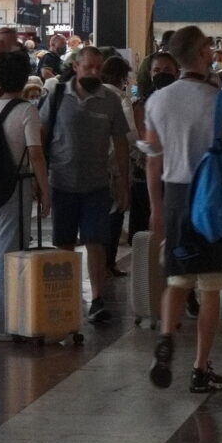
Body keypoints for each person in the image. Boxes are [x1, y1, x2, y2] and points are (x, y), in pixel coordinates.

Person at [141, 25, 222, 393]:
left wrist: (156, 208)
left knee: (177, 278)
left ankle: (165, 335)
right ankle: (200, 367)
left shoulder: (157, 101)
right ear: (204, 54)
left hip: (175, 199)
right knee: (210, 289)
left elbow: (152, 161)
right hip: (213, 203)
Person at [41, 45, 130, 324]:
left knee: (96, 242)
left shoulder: (110, 99)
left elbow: (121, 142)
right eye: (88, 66)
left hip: (96, 185)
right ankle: (66, 297)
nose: (93, 72)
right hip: (62, 183)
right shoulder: (56, 95)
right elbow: (41, 136)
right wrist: (40, 179)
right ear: (76, 66)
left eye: (97, 67)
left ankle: (98, 299)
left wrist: (123, 183)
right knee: (64, 243)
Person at [0, 48, 48, 339]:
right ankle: (4, 325)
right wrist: (45, 189)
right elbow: (36, 155)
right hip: (15, 189)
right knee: (9, 256)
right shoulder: (27, 110)